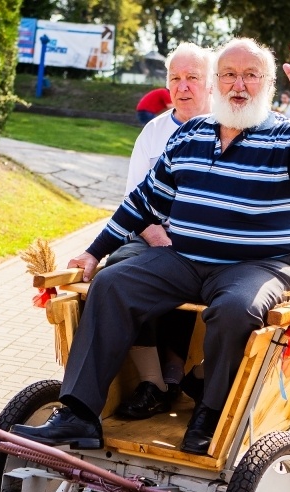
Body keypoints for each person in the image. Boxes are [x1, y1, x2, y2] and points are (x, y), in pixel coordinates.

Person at [11, 37, 290, 455]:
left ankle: (211, 414)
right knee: (113, 284)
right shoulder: (190, 134)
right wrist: (94, 252)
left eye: (250, 75)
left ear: (266, 84)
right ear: (217, 82)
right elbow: (144, 200)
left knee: (235, 309)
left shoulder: (289, 136)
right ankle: (79, 414)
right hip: (187, 258)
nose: (238, 85)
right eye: (228, 74)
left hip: (263, 263)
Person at [107, 42, 214, 419]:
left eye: (193, 78)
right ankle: (153, 382)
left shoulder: (228, 129)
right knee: (118, 271)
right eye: (176, 79)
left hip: (202, 243)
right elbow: (133, 197)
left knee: (193, 274)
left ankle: (181, 377)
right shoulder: (153, 132)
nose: (183, 87)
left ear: (210, 83)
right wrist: (154, 234)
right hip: (151, 233)